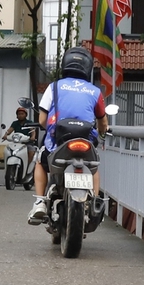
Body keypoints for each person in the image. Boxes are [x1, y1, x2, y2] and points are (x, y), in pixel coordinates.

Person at [27, 47, 109, 224]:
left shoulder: (54, 87)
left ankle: (40, 202)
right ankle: (94, 200)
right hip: (85, 142)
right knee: (93, 165)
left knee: (41, 160)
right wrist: (103, 132)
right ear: (87, 68)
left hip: (58, 143)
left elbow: (42, 120)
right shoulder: (95, 92)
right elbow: (103, 124)